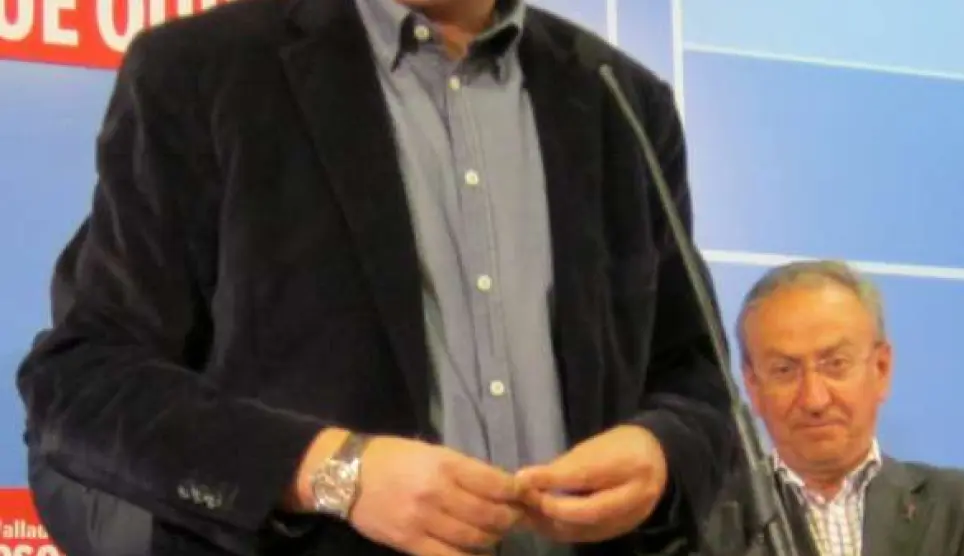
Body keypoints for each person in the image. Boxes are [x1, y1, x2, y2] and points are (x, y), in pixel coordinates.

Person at [15, 0, 735, 555]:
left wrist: (661, 453)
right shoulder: (201, 71)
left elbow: (695, 377)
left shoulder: (622, 99)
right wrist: (332, 471)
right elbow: (84, 379)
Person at [701, 260, 964, 556]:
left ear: (881, 369)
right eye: (784, 370)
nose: (814, 399)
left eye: (836, 364)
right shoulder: (707, 527)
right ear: (753, 386)